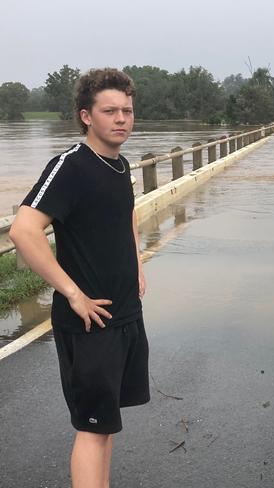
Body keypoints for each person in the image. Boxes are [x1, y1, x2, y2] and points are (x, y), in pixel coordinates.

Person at [9, 68, 149, 488]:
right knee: (91, 429)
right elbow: (23, 230)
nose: (121, 118)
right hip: (90, 324)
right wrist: (72, 293)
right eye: (110, 111)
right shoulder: (70, 166)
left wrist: (137, 264)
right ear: (86, 115)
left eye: (127, 110)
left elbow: (125, 216)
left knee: (106, 425)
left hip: (123, 315)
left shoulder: (119, 164)